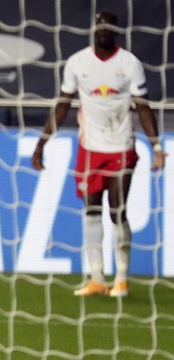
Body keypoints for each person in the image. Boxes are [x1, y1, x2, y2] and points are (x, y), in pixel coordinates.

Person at [31, 11, 165, 298]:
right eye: (99, 25)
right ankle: (97, 278)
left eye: (108, 26)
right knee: (91, 212)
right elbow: (63, 103)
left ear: (115, 30)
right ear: (93, 28)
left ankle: (122, 279)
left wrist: (156, 146)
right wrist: (42, 142)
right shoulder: (78, 63)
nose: (103, 30)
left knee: (118, 211)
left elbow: (143, 107)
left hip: (121, 146)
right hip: (90, 149)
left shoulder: (129, 64)